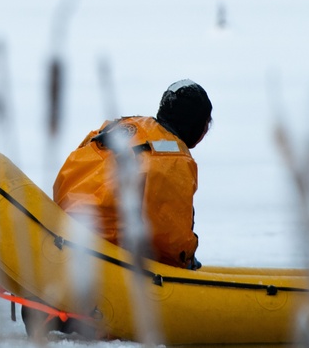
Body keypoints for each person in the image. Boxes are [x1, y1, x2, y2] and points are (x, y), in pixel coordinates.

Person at [22, 80, 213, 337]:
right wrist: (186, 261)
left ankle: (57, 297)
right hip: (105, 253)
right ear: (195, 126)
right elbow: (168, 237)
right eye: (206, 125)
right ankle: (79, 315)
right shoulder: (172, 158)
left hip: (65, 233)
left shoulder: (122, 126)